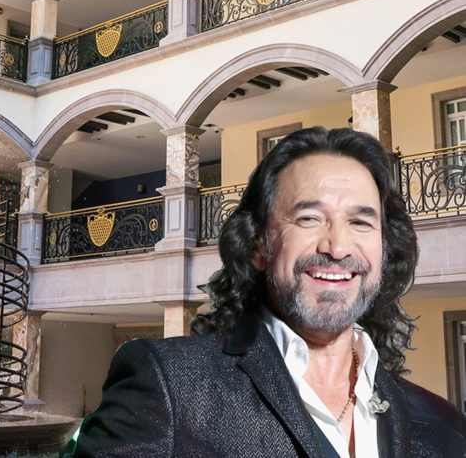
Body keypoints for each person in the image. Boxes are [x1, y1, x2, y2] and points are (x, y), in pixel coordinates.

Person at [72, 127, 464, 457]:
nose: (338, 247)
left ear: (384, 249)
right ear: (258, 245)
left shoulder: (442, 424)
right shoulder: (166, 385)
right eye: (309, 218)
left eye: (361, 223)